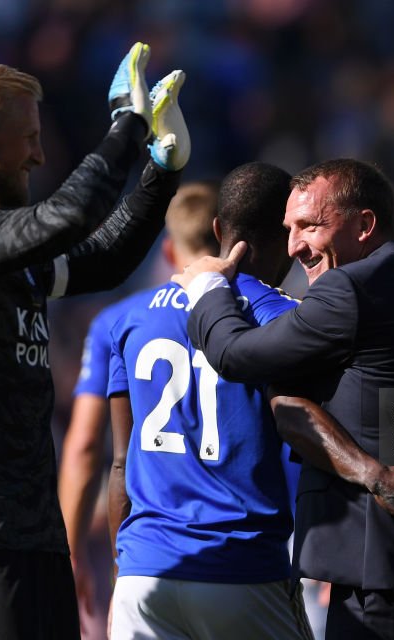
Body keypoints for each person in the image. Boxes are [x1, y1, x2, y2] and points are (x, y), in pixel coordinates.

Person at [0, 43, 189, 639]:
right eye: (28, 137)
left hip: (34, 536)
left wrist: (162, 171)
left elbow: (100, 259)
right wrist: (124, 126)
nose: (40, 154)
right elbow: (69, 216)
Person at [174, 158, 394, 640]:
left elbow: (236, 355)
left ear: (365, 225)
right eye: (289, 228)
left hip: (382, 579)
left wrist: (208, 288)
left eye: (310, 226)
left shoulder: (350, 289)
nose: (295, 245)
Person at [91, 163, 314, 640]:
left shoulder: (130, 319)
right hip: (241, 568)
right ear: (288, 235)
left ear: (219, 229)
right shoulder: (285, 317)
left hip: (144, 575)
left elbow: (118, 468)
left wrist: (121, 577)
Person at [58, 180, 221, 635]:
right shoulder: (259, 313)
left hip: (150, 561)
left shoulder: (116, 321)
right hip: (238, 558)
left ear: (169, 251)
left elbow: (86, 444)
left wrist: (71, 554)